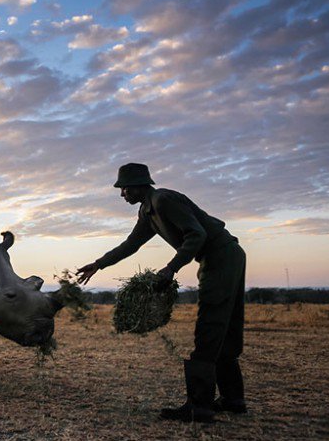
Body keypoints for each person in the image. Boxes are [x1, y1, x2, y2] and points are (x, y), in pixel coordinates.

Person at [76, 163, 247, 423]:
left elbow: (196, 234)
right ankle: (233, 400)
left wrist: (171, 269)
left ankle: (199, 406)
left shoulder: (163, 199)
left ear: (137, 185)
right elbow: (131, 245)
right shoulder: (148, 211)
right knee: (226, 328)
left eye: (124, 188)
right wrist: (99, 264)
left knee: (210, 325)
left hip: (220, 256)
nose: (122, 194)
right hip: (226, 255)